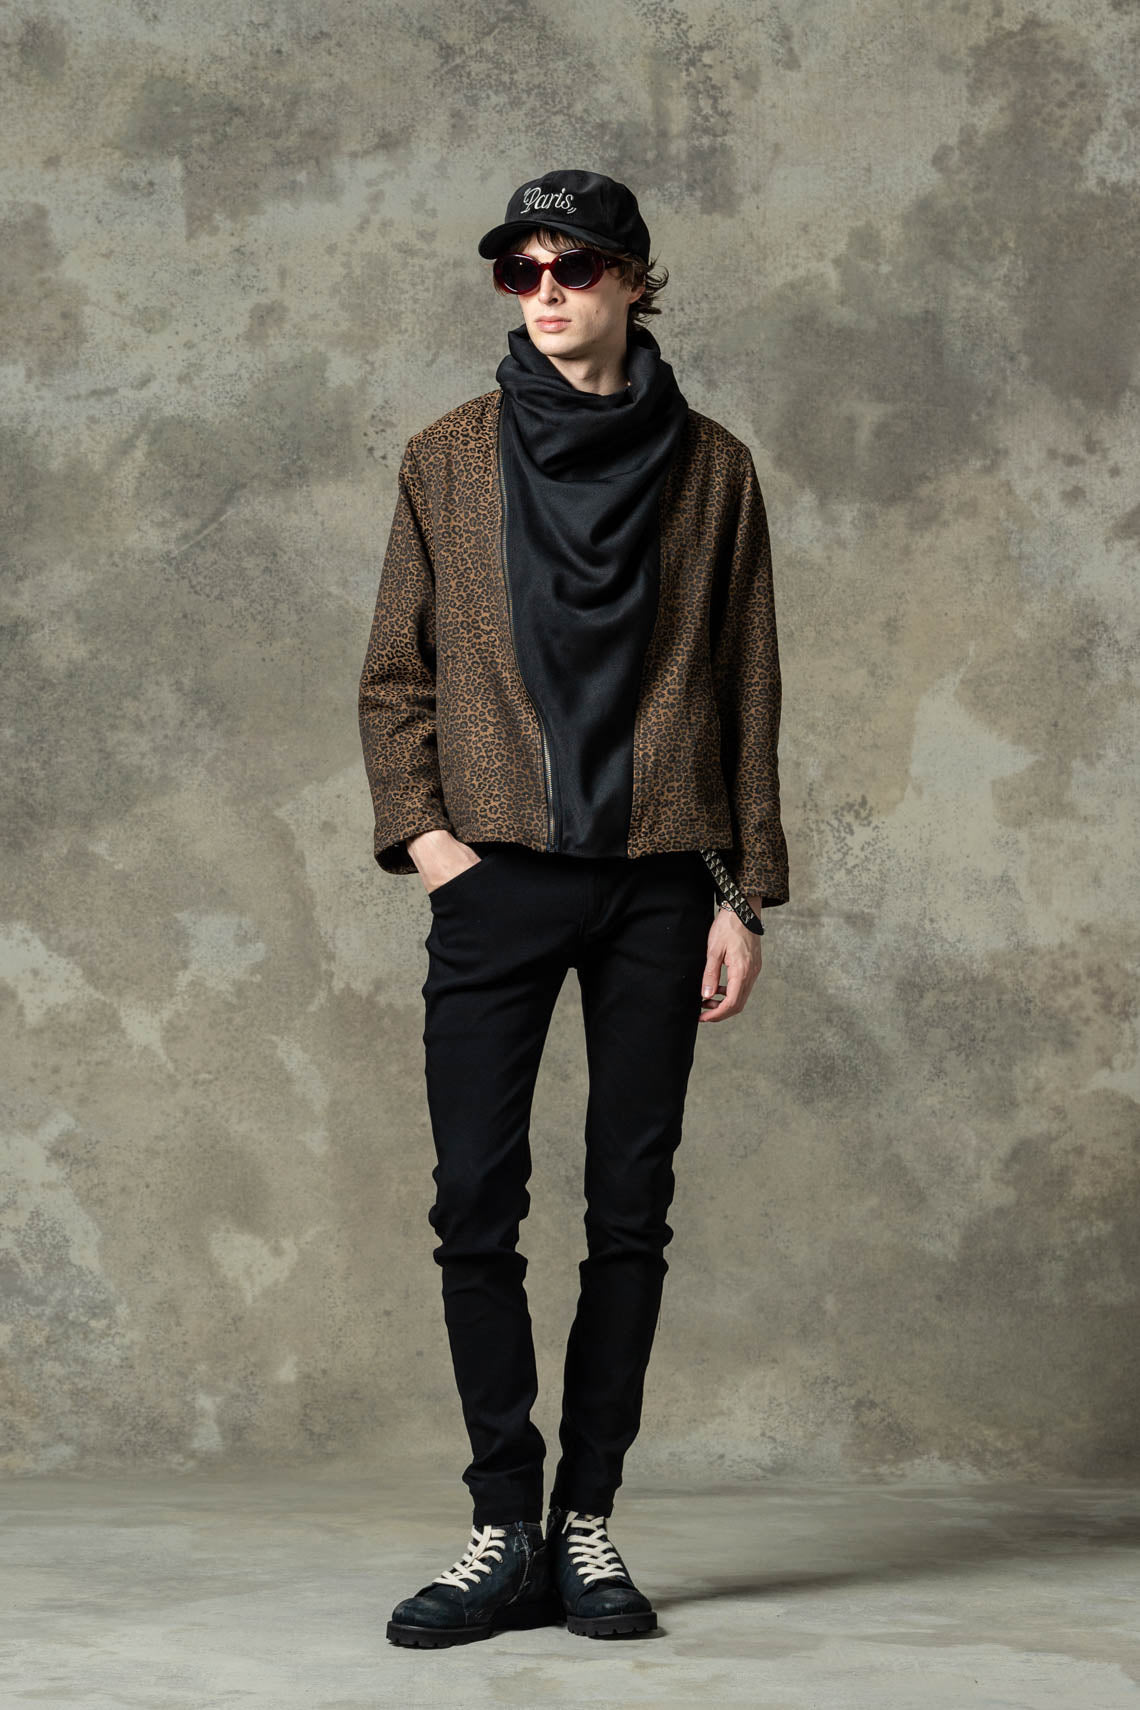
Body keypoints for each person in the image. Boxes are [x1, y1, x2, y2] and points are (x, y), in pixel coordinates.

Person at [357, 168, 789, 1648]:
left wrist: (740, 891)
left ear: (635, 281)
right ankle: (502, 1527)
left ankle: (585, 1523)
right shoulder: (445, 458)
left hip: (661, 881)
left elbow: (745, 687)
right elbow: (394, 673)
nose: (546, 292)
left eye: (575, 266)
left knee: (630, 1213)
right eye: (520, 269)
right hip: (496, 878)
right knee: (475, 1204)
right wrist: (432, 844)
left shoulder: (715, 470)